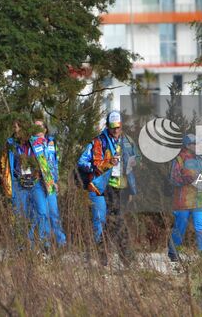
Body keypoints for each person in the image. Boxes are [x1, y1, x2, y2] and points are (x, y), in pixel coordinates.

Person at [77, 110, 138, 266]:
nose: (116, 130)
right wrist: (102, 165)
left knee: (115, 221)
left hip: (122, 187)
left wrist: (135, 163)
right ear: (107, 126)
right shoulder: (98, 141)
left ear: (121, 125)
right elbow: (82, 162)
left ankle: (101, 252)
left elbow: (137, 159)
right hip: (103, 185)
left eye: (118, 126)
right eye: (112, 127)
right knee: (105, 219)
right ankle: (121, 256)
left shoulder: (129, 141)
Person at [19, 118, 65, 248]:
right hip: (37, 182)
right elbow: (27, 163)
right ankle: (41, 244)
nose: (37, 130)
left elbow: (54, 163)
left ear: (45, 129)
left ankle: (61, 243)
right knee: (41, 212)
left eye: (40, 127)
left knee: (54, 213)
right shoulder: (30, 144)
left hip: (51, 183)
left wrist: (56, 180)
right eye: (35, 127)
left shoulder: (51, 143)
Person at [167, 134, 202, 261]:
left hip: (200, 199)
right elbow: (173, 178)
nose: (197, 146)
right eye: (195, 144)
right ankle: (173, 251)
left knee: (201, 226)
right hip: (183, 200)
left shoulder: (201, 159)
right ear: (187, 145)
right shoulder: (179, 159)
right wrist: (188, 179)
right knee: (180, 226)